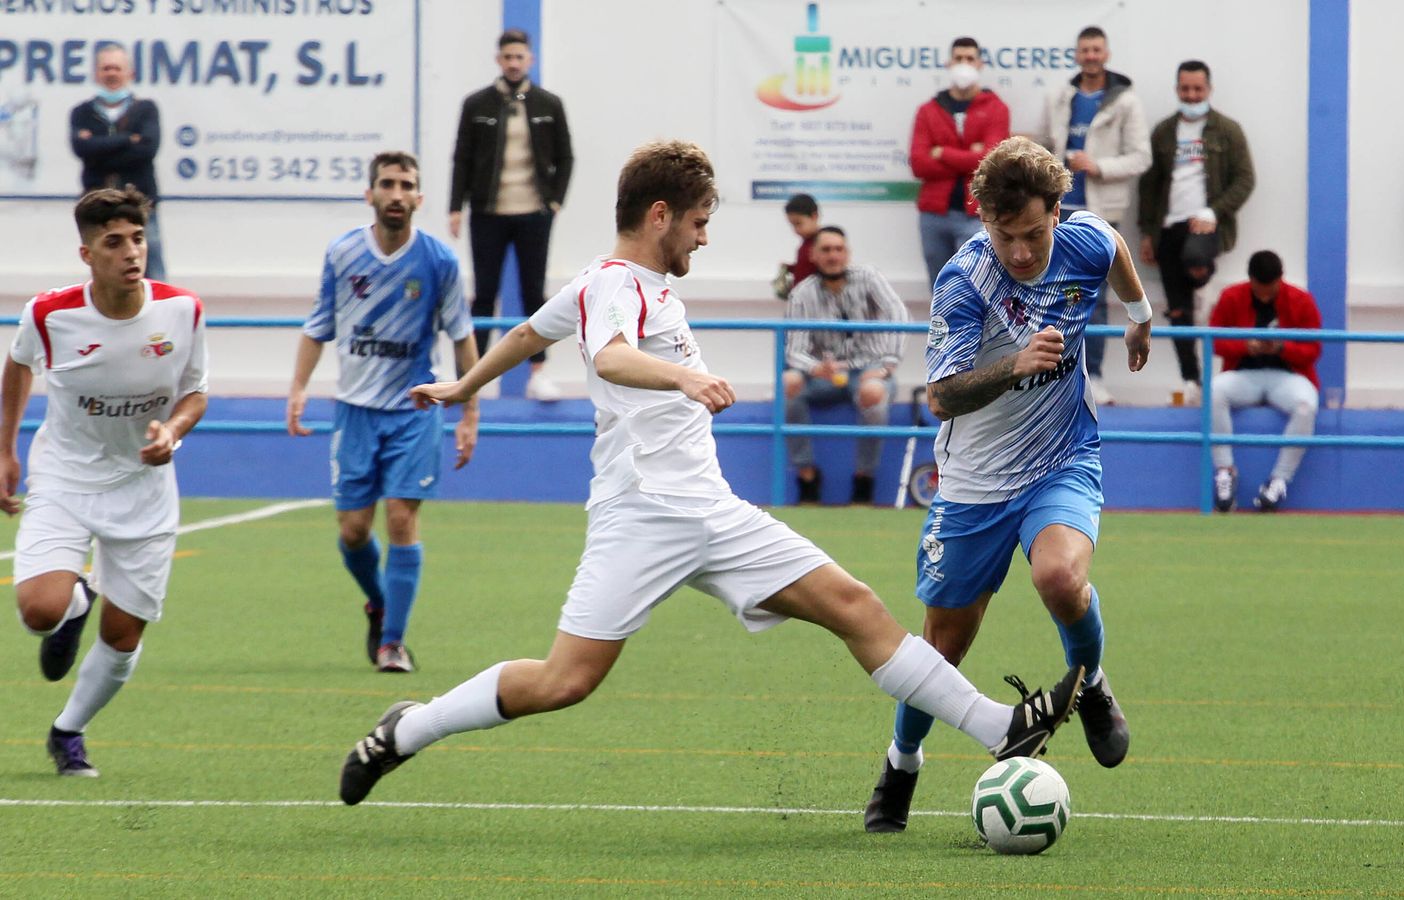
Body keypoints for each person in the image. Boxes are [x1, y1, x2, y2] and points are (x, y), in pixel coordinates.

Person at [339, 140, 1086, 806]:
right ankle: (405, 730)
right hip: (644, 513)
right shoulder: (615, 287)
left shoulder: (614, 282)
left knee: (855, 606)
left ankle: (1000, 729)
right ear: (660, 215)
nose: (704, 235)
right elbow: (609, 357)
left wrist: (464, 387)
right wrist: (685, 379)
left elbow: (533, 330)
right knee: (563, 680)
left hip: (712, 510)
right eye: (699, 222)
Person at [864, 136, 1151, 833]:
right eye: (1004, 235)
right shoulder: (965, 281)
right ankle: (902, 763)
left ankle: (1089, 685)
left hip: (1061, 459)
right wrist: (1016, 365)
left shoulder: (1082, 241)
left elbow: (1114, 247)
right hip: (973, 485)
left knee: (1059, 579)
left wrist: (1140, 318)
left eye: (1032, 233)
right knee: (943, 650)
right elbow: (942, 395)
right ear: (983, 220)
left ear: (1058, 211)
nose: (1019, 252)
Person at [1, 187, 207, 777]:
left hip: (142, 491)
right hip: (64, 478)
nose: (130, 252)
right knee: (40, 609)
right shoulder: (50, 314)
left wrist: (173, 431)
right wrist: (5, 450)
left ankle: (68, 731)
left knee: (122, 635)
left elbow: (196, 391)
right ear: (87, 254)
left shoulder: (182, 310)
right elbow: (17, 364)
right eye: (113, 242)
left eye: (137, 238)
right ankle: (70, 608)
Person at [287, 151, 480, 674]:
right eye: (387, 184)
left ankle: (392, 642)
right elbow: (318, 325)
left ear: (419, 198)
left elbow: (463, 340)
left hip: (413, 409)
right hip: (354, 411)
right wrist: (299, 388)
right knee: (352, 530)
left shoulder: (439, 262)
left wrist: (469, 412)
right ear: (370, 193)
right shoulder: (344, 252)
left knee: (401, 518)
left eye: (406, 185)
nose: (396, 193)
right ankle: (379, 602)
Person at [449, 28, 574, 401]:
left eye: (520, 57)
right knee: (484, 293)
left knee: (534, 293)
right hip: (488, 212)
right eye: (508, 57)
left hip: (534, 213)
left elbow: (566, 156)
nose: (514, 63)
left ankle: (539, 372)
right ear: (498, 60)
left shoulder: (549, 104)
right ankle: (471, 376)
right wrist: (455, 207)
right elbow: (462, 158)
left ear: (529, 60)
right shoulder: (477, 104)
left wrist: (554, 202)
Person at [1044, 25, 1151, 406]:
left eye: (1096, 50)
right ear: (1077, 54)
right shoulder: (1061, 95)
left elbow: (1141, 157)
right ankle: (1058, 375)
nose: (1090, 56)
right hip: (1058, 213)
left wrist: (1098, 166)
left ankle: (1097, 375)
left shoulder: (1126, 101)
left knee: (1099, 298)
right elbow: (1047, 142)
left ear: (1106, 54)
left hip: (1100, 212)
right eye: (1084, 50)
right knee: (1054, 295)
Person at [1138, 60, 1254, 404]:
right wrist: (1147, 232)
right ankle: (1191, 379)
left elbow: (1245, 179)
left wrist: (1214, 211)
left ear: (1209, 89)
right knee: (1177, 311)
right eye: (1185, 89)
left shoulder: (1227, 130)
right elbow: (1149, 185)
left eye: (1198, 89)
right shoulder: (1163, 132)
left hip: (1205, 223)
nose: (1191, 95)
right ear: (1177, 90)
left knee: (1195, 261)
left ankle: (1201, 287)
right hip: (1168, 226)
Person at [783, 226, 909, 505]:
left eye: (839, 249)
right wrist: (817, 368)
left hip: (869, 369)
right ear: (814, 255)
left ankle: (864, 481)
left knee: (874, 392)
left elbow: (899, 315)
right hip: (824, 376)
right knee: (788, 383)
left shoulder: (869, 277)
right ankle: (807, 477)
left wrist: (888, 365)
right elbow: (794, 350)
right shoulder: (802, 293)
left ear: (848, 253)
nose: (833, 256)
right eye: (826, 250)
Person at [1206, 250, 1322, 513]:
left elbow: (1313, 349)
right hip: (1244, 374)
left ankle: (1279, 480)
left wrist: (1282, 348)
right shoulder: (1231, 296)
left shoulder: (1300, 300)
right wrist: (1246, 346)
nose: (1265, 295)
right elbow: (1215, 339)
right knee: (1213, 391)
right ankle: (1225, 471)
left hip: (1289, 376)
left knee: (1306, 405)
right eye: (1260, 289)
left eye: (1271, 289)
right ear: (1250, 280)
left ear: (1281, 279)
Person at [911, 37, 1011, 290]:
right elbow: (919, 164)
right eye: (958, 58)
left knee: (976, 285)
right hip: (934, 215)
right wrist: (969, 154)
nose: (964, 64)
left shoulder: (996, 108)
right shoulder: (928, 110)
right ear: (948, 63)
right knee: (940, 287)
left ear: (980, 64)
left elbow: (989, 161)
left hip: (976, 213)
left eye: (969, 58)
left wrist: (942, 152)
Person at [70, 44, 165, 281]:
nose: (111, 73)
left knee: (149, 263)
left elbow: (146, 150)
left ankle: (158, 313)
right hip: (97, 202)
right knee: (102, 264)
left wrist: (100, 146)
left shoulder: (145, 109)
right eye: (106, 68)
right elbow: (83, 149)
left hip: (139, 202)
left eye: (117, 68)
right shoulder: (82, 112)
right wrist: (127, 140)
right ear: (96, 73)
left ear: (129, 73)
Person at [773, 193, 820, 300]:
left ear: (814, 216)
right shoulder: (805, 243)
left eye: (798, 223)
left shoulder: (823, 245)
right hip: (800, 297)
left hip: (814, 300)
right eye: (792, 225)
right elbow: (807, 269)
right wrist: (791, 268)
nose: (795, 230)